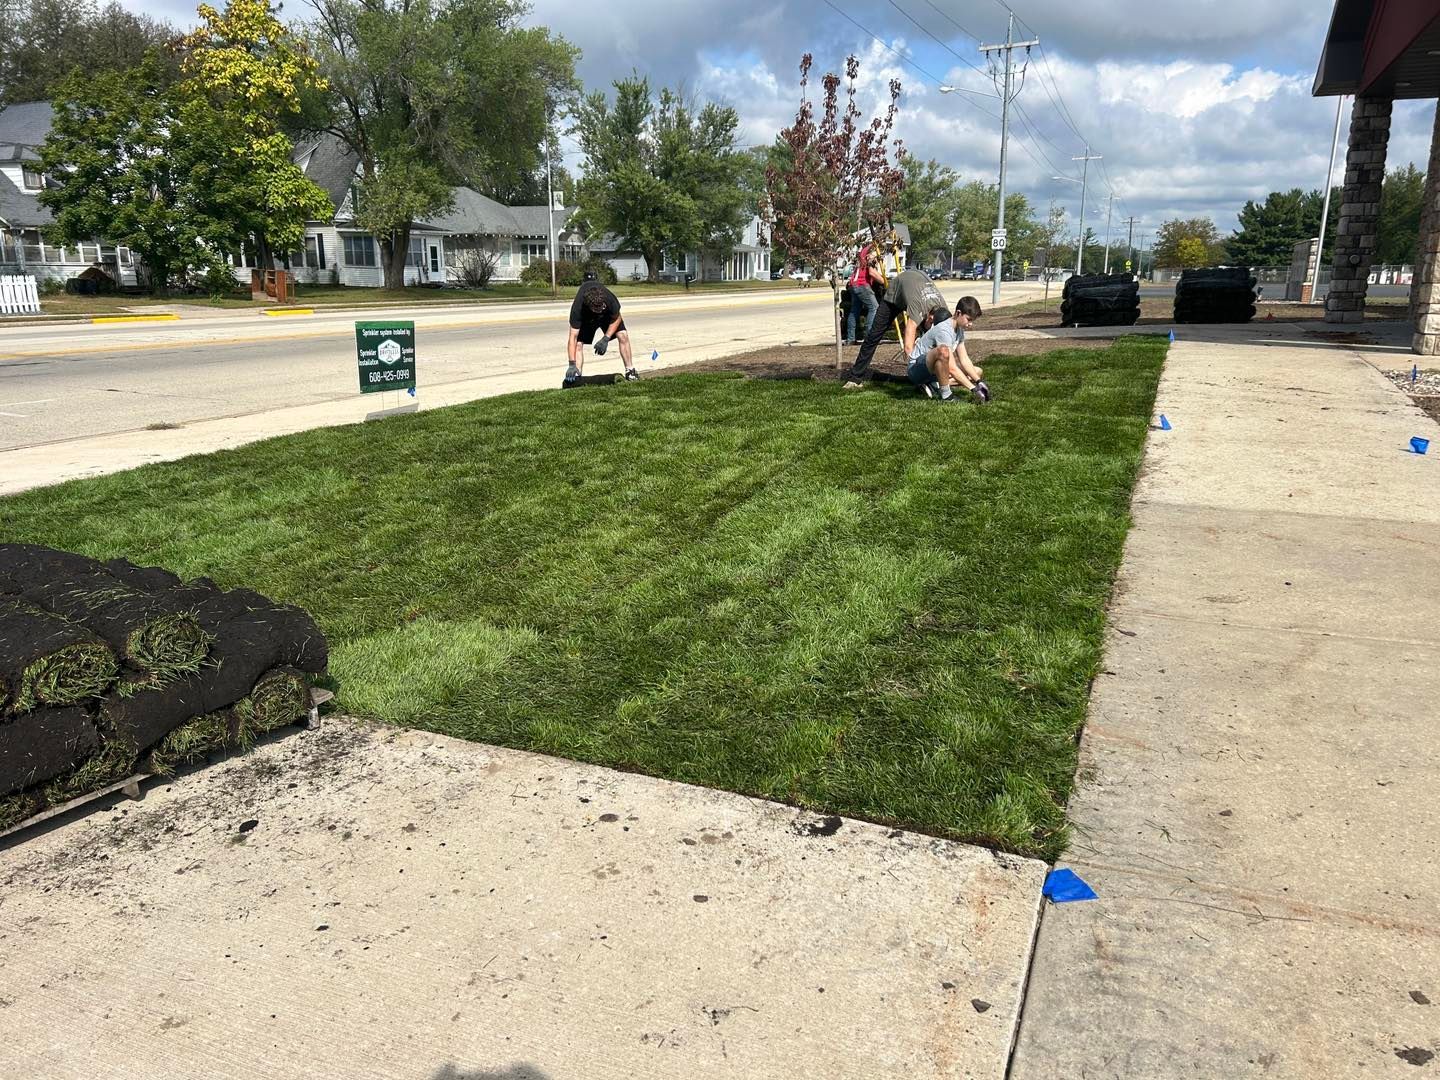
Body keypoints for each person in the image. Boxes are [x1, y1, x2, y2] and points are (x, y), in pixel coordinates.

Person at [841, 265, 948, 390]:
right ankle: (855, 378)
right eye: (930, 324)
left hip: (916, 287)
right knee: (874, 335)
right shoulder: (918, 307)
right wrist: (914, 371)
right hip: (895, 294)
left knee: (930, 339)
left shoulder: (944, 310)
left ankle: (930, 376)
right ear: (930, 317)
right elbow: (908, 346)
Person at [906, 295, 990, 403]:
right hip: (916, 369)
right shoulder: (944, 330)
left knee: (977, 371)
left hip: (933, 370)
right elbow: (952, 368)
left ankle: (934, 385)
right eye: (968, 319)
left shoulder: (959, 330)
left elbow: (964, 359)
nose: (970, 324)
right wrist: (973, 389)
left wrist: (979, 382)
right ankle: (946, 396)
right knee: (943, 351)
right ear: (958, 313)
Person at [565, 272, 637, 388]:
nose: (601, 309)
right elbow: (572, 338)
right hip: (587, 318)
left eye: (602, 306)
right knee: (578, 344)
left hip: (607, 317)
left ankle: (630, 371)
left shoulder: (608, 298)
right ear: (590, 306)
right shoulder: (577, 309)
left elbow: (617, 317)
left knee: (623, 335)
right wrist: (571, 364)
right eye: (598, 308)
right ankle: (577, 376)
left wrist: (606, 338)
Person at [844, 243, 877, 346]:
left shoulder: (863, 250)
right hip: (862, 284)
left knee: (854, 311)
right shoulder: (872, 250)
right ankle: (869, 338)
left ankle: (850, 339)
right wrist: (885, 282)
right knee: (874, 307)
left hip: (853, 284)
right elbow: (872, 272)